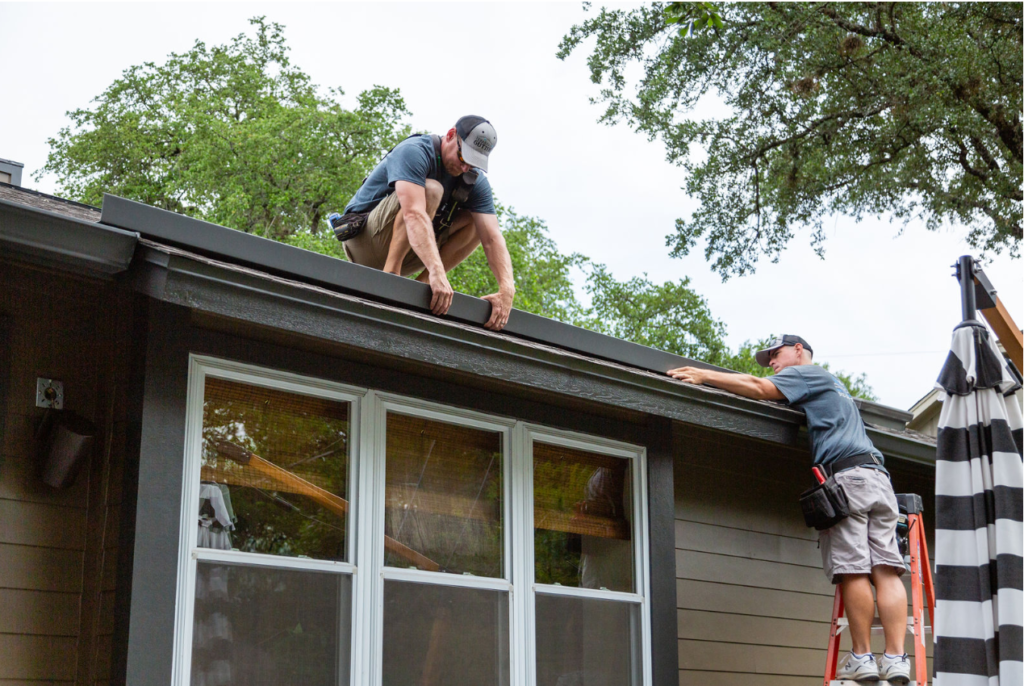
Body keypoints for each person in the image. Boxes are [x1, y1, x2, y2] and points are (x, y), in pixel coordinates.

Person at [667, 335, 911, 684]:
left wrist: (705, 376)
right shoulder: (835, 387)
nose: (772, 365)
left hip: (848, 478)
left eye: (776, 356)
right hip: (879, 480)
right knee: (886, 570)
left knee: (854, 570)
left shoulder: (808, 374)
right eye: (769, 362)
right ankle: (896, 658)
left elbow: (758, 388)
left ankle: (862, 657)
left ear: (799, 351)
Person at [336, 115, 515, 331]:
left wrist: (507, 290)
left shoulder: (473, 180)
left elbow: (493, 237)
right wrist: (437, 270)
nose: (465, 167)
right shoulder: (415, 151)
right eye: (463, 156)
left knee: (478, 222)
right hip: (364, 241)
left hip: (412, 252)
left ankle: (422, 285)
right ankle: (390, 278)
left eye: (473, 163)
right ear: (450, 136)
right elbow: (413, 214)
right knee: (431, 190)